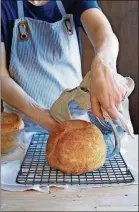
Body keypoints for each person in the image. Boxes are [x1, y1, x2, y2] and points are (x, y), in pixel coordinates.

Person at [1, 0, 127, 133]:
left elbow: (103, 33)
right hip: (20, 128)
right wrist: (42, 116)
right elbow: (1, 77)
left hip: (74, 122)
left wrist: (103, 64)